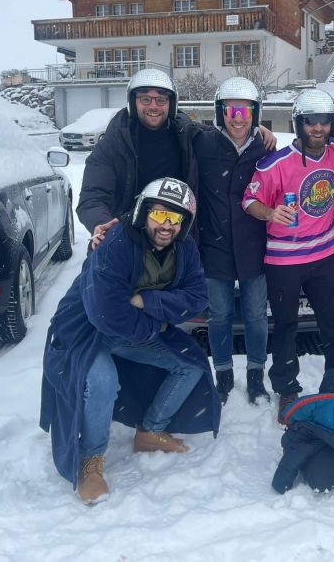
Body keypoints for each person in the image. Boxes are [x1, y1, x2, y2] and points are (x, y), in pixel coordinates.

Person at [40, 178, 218, 505]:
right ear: (143, 213)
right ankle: (90, 461)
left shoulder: (185, 249)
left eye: (175, 219)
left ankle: (150, 432)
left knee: (190, 365)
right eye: (160, 215)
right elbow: (106, 313)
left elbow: (197, 299)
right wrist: (156, 324)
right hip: (83, 331)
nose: (166, 226)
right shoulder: (116, 243)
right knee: (103, 380)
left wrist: (147, 302)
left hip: (133, 326)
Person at [243, 89, 334, 423]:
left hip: (324, 257)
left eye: (323, 122)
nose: (317, 129)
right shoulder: (274, 164)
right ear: (298, 123)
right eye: (309, 122)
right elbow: (248, 201)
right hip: (284, 261)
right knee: (287, 326)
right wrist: (269, 213)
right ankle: (287, 388)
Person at [194, 77, 270, 406]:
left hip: (254, 246)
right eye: (230, 109)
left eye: (245, 110)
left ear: (255, 113)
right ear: (220, 112)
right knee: (219, 315)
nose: (237, 117)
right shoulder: (204, 142)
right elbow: (178, 121)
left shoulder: (266, 147)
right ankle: (222, 375)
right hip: (215, 246)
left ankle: (256, 375)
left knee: (255, 315)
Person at [77, 69, 201, 249]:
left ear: (171, 104)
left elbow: (221, 139)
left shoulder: (186, 135)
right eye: (145, 99)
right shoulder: (113, 143)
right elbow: (93, 196)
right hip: (123, 238)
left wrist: (255, 132)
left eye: (161, 99)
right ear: (132, 102)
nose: (153, 106)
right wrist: (101, 222)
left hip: (173, 236)